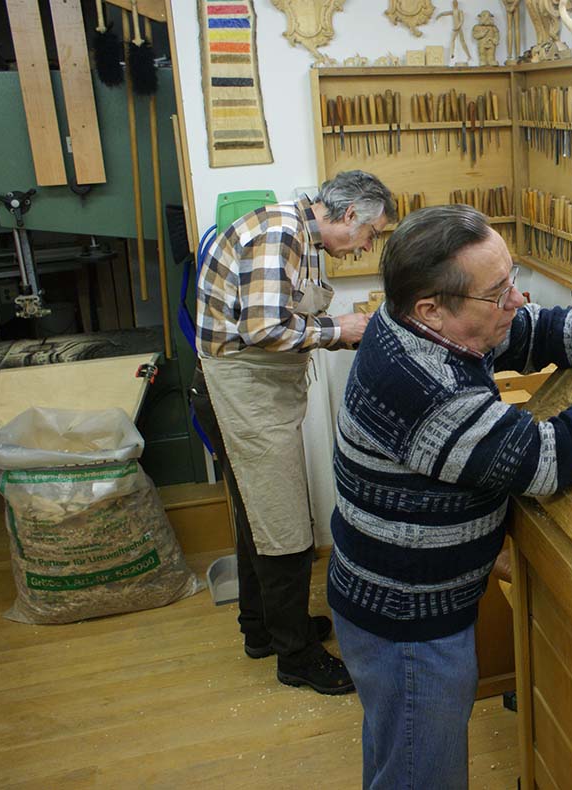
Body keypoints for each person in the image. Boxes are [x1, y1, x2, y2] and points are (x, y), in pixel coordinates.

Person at [328, 204, 572, 788]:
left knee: (398, 754)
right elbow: (550, 459)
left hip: (402, 599)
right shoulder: (424, 385)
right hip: (406, 621)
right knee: (418, 774)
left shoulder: (426, 323)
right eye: (497, 293)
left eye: (509, 278)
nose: (515, 298)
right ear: (432, 309)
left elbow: (528, 329)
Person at [191, 170, 395, 695]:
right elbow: (263, 329)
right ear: (349, 215)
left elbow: (279, 314)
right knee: (281, 523)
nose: (366, 247)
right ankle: (296, 657)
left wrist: (337, 330)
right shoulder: (281, 232)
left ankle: (262, 629)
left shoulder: (302, 236)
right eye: (370, 234)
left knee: (258, 515)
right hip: (240, 391)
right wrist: (340, 329)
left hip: (253, 390)